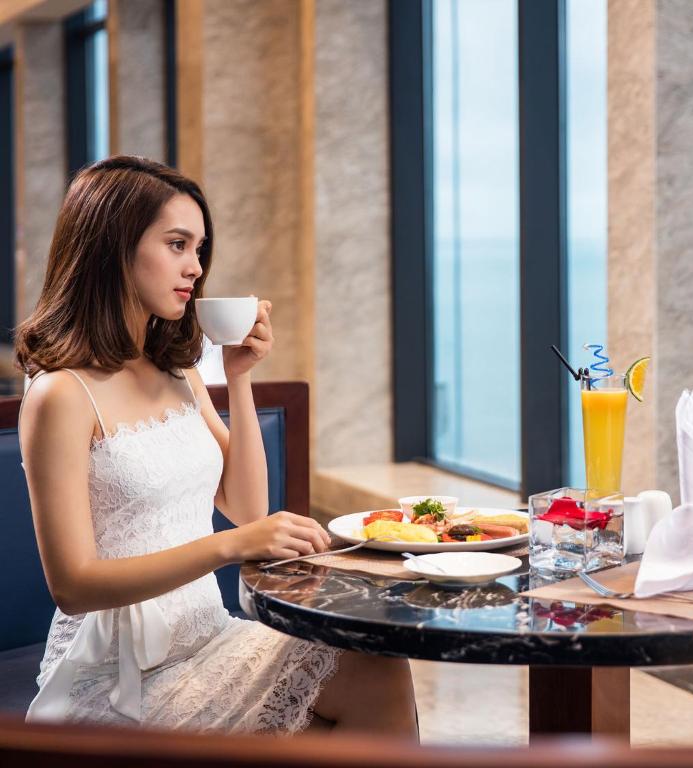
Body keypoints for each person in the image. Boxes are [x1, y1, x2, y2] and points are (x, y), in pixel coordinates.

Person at [15, 155, 417, 737]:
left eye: (199, 248)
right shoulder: (61, 395)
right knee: (369, 680)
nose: (195, 267)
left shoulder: (176, 371)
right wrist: (230, 546)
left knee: (376, 661)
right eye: (177, 244)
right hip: (118, 681)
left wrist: (239, 376)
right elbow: (73, 586)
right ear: (114, 247)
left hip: (209, 639)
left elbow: (247, 507)